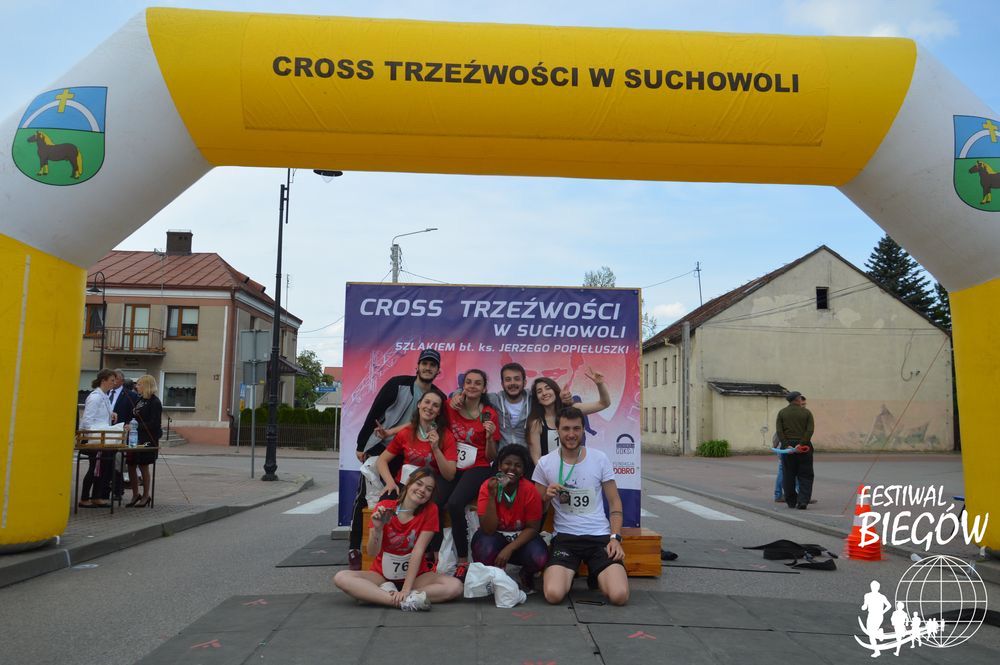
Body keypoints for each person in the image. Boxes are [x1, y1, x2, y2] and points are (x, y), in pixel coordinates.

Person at [348, 349, 445, 570]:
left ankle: (410, 551)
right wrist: (362, 444)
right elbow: (375, 412)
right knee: (365, 496)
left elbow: (419, 422)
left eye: (432, 365)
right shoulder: (397, 384)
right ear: (417, 366)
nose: (428, 368)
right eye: (425, 364)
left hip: (407, 454)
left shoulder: (438, 397)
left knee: (407, 500)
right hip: (382, 446)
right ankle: (355, 548)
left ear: (438, 371)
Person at [532, 406, 629, 606]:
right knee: (553, 594)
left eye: (576, 428)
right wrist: (547, 497)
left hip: (599, 538)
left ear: (583, 429)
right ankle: (573, 572)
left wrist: (615, 538)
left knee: (619, 596)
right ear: (557, 430)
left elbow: (614, 501)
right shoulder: (545, 463)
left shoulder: (599, 458)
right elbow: (536, 510)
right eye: (566, 429)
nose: (571, 434)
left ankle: (597, 572)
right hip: (566, 539)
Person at [333, 467, 463, 611]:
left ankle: (385, 595)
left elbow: (418, 551)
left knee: (455, 586)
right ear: (408, 483)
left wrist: (406, 589)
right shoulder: (384, 507)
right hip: (381, 575)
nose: (422, 490)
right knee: (341, 577)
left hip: (417, 577)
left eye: (428, 489)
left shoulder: (430, 510)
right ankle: (400, 600)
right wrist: (377, 529)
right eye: (418, 484)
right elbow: (372, 552)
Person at [376, 391, 457, 559]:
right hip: (405, 483)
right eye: (427, 402)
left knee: (434, 507)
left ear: (439, 412)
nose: (430, 407)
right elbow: (382, 460)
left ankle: (432, 557)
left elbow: (450, 474)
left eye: (435, 405)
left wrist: (435, 448)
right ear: (419, 404)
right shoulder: (406, 432)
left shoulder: (446, 436)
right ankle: (384, 552)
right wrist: (390, 482)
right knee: (385, 502)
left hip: (429, 487)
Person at [441, 369, 500, 580]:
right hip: (452, 465)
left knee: (455, 503)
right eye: (469, 382)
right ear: (462, 386)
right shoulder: (450, 406)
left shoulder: (489, 414)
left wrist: (490, 437)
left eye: (477, 383)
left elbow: (492, 456)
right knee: (435, 501)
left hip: (478, 466)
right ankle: (432, 555)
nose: (472, 386)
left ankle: (462, 559)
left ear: (484, 388)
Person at [472, 445, 548, 591]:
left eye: (518, 465)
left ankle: (526, 574)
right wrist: (492, 496)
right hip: (494, 536)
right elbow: (488, 529)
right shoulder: (488, 486)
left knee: (539, 557)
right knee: (483, 548)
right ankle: (493, 577)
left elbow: (533, 528)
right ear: (499, 466)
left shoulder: (530, 490)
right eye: (507, 463)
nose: (512, 468)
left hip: (520, 538)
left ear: (523, 471)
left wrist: (509, 549)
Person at [525, 368, 610, 464]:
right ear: (537, 399)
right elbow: (536, 458)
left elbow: (604, 403)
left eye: (548, 388)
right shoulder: (536, 423)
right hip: (550, 472)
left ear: (555, 392)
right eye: (539, 391)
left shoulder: (572, 409)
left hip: (575, 469)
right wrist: (547, 473)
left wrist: (600, 384)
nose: (544, 393)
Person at [78, 369, 116, 508]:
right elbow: (87, 419)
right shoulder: (95, 397)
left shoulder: (104, 396)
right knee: (94, 468)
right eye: (112, 380)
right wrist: (89, 438)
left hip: (103, 438)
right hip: (94, 438)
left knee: (102, 468)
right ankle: (84, 498)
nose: (114, 383)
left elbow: (101, 416)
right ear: (103, 380)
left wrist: (112, 414)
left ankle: (96, 496)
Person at [775, 391, 815, 509]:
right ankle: (803, 501)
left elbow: (779, 431)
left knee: (788, 475)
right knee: (805, 475)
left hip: (787, 449)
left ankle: (791, 501)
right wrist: (801, 444)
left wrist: (786, 444)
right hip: (804, 448)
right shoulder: (806, 413)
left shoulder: (782, 412)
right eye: (800, 398)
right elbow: (810, 430)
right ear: (798, 399)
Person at [127, 375, 162, 507]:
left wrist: (136, 426)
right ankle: (135, 494)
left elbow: (154, 424)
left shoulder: (155, 402)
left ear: (146, 385)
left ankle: (146, 495)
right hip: (134, 437)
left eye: (139, 384)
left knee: (143, 465)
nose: (136, 386)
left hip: (147, 439)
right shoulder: (139, 399)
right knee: (131, 464)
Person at [109, 370, 138, 499]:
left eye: (116, 379)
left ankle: (117, 490)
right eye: (112, 378)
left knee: (118, 461)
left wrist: (129, 425)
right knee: (104, 462)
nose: (113, 381)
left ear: (121, 380)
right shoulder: (105, 393)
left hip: (121, 433)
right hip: (105, 431)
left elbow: (134, 414)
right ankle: (103, 491)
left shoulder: (130, 395)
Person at [861, 580, 891, 656]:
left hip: (878, 615)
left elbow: (889, 605)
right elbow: (865, 606)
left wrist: (882, 612)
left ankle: (877, 650)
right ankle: (877, 649)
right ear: (871, 587)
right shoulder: (867, 595)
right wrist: (863, 607)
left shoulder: (881, 596)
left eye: (875, 586)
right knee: (870, 634)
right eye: (872, 586)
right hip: (871, 615)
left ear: (878, 587)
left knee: (871, 634)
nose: (873, 587)